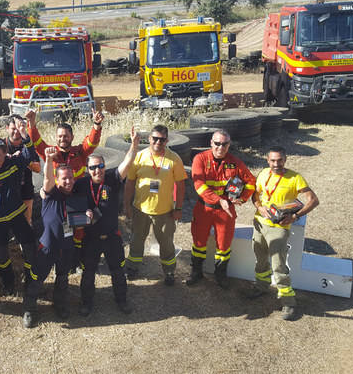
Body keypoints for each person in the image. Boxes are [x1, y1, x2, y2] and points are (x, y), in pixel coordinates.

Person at [246, 146, 319, 321]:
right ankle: (262, 286)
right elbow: (255, 195)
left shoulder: (295, 178)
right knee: (260, 258)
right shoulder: (263, 173)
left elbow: (313, 200)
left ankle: (288, 301)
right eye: (272, 160)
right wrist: (259, 207)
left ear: (285, 159)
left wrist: (295, 216)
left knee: (278, 264)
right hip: (259, 224)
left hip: (279, 227)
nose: (276, 164)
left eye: (279, 160)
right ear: (267, 160)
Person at [73, 127, 139, 316]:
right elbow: (68, 202)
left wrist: (134, 145)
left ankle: (122, 300)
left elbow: (127, 163)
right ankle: (86, 303)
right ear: (88, 170)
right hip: (90, 238)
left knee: (118, 272)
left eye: (100, 166)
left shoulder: (112, 179)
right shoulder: (80, 185)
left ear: (104, 167)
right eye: (93, 167)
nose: (97, 170)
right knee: (88, 274)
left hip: (112, 237)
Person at [26, 108, 104, 267]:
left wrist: (96, 124)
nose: (63, 139)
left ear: (72, 137)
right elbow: (36, 142)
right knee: (62, 232)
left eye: (66, 136)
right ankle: (63, 263)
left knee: (80, 232)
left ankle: (79, 261)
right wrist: (32, 124)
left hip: (77, 200)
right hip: (58, 202)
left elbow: (92, 142)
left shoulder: (80, 153)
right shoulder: (51, 153)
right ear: (56, 137)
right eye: (60, 136)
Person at [22, 148, 87, 328]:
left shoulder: (76, 197)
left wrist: (87, 216)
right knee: (37, 278)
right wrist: (49, 160)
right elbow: (47, 178)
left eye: (70, 178)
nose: (68, 181)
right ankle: (29, 309)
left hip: (66, 246)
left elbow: (80, 223)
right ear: (58, 180)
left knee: (62, 277)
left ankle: (59, 305)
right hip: (47, 246)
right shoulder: (51, 194)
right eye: (64, 178)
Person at [0, 115, 38, 295]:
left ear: (6, 153)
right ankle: (8, 283)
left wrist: (24, 133)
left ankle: (31, 280)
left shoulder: (14, 163)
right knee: (2, 256)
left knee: (30, 247)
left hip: (17, 215)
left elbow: (31, 156)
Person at [188, 130, 256, 289]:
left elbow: (251, 182)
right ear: (211, 143)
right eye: (217, 143)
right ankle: (196, 272)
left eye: (224, 144)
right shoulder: (200, 159)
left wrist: (243, 198)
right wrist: (219, 200)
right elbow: (199, 185)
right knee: (199, 242)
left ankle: (221, 275)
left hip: (226, 212)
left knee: (224, 246)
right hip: (204, 208)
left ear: (229, 145)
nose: (220, 147)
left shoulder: (235, 162)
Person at [123, 125, 187, 286]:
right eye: (155, 138)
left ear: (167, 140)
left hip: (165, 212)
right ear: (149, 139)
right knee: (136, 241)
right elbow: (129, 183)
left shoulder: (174, 159)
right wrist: (127, 205)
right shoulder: (139, 157)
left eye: (162, 139)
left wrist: (178, 208)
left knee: (166, 244)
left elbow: (180, 186)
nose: (158, 142)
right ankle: (132, 268)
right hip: (140, 210)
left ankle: (169, 271)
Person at [5, 115, 41, 224]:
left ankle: (27, 238)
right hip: (7, 188)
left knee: (27, 221)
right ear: (7, 128)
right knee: (7, 221)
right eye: (13, 128)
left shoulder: (28, 145)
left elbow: (38, 168)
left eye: (19, 128)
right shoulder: (1, 145)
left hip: (25, 186)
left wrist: (23, 160)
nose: (16, 132)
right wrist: (8, 160)